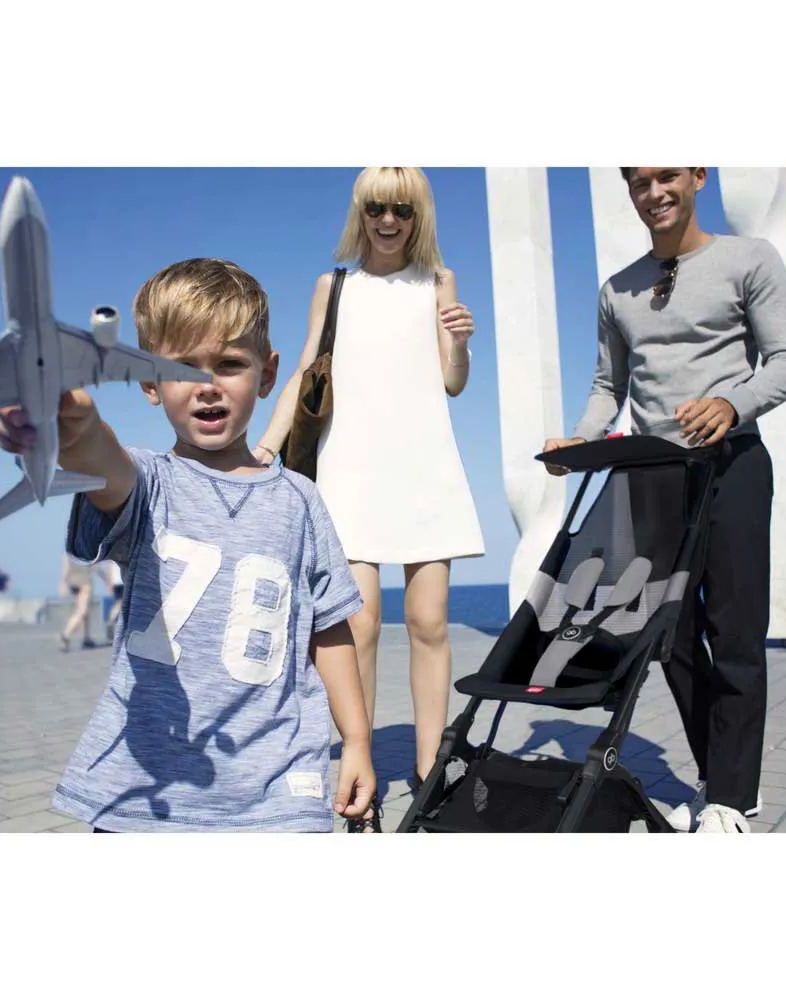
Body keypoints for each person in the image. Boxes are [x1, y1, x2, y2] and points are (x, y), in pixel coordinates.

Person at [0, 256, 375, 832]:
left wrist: (358, 741)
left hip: (279, 783)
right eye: (181, 368)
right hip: (147, 782)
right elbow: (99, 459)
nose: (206, 385)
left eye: (230, 364)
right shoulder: (149, 483)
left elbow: (329, 628)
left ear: (267, 374)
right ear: (149, 382)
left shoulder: (301, 500)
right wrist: (69, 423)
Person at [543, 167, 786, 833]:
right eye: (640, 182)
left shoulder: (749, 259)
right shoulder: (617, 289)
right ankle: (719, 777)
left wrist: (732, 403)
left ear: (698, 176)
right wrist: (579, 439)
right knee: (669, 637)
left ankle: (730, 800)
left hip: (732, 465)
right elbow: (609, 386)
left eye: (667, 176)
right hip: (652, 476)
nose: (654, 192)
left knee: (735, 634)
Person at [254, 167, 484, 831]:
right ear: (361, 211)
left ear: (419, 215)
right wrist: (266, 447)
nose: (388, 221)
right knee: (358, 625)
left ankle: (429, 773)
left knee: (429, 621)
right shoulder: (335, 285)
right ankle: (362, 783)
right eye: (377, 207)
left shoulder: (439, 281)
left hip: (424, 465)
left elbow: (453, 381)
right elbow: (306, 368)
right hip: (351, 466)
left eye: (402, 209)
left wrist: (460, 343)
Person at [59, 553, 98, 652]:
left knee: (84, 613)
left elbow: (66, 567)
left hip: (74, 582)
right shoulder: (87, 549)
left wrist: (64, 583)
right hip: (84, 582)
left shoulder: (69, 549)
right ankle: (66, 634)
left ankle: (86, 639)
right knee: (82, 611)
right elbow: (96, 566)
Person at [105, 560, 124, 642]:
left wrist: (109, 583)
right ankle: (110, 621)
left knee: (120, 603)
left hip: (116, 582)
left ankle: (112, 622)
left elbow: (109, 570)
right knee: (120, 603)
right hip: (121, 581)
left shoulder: (112, 558)